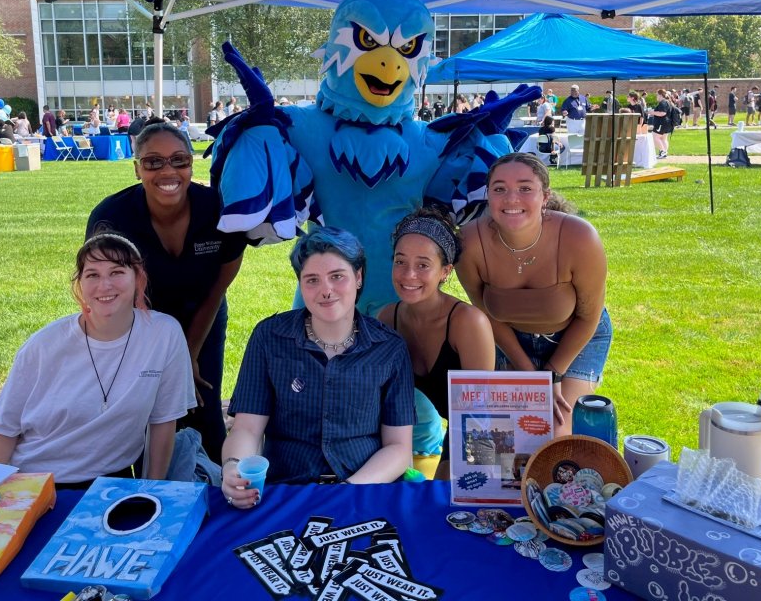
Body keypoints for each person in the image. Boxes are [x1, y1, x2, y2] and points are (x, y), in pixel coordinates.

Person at [222, 227, 414, 507]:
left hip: (364, 490)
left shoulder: (389, 348)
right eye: (312, 280)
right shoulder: (269, 338)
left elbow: (399, 448)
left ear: (358, 277)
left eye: (337, 276)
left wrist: (347, 491)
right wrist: (233, 468)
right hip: (287, 490)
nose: (326, 290)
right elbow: (247, 429)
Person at [87, 121, 245, 462]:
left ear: (192, 163)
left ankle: (215, 487)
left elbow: (220, 283)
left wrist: (188, 352)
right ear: (136, 168)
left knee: (201, 403)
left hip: (203, 311)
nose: (167, 171)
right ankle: (145, 491)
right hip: (138, 320)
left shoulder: (218, 210)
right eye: (153, 162)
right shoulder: (112, 218)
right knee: (145, 406)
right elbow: (105, 292)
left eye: (179, 160)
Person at [0, 233, 193, 487]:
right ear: (80, 284)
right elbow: (5, 429)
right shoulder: (43, 346)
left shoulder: (164, 334)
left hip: (110, 482)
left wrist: (151, 489)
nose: (104, 285)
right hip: (34, 481)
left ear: (138, 278)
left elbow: (163, 420)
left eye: (116, 272)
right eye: (92, 275)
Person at [456, 153, 612, 436]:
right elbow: (488, 316)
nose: (512, 199)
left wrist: (552, 374)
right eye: (500, 189)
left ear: (545, 196)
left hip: (577, 336)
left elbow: (589, 317)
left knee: (555, 432)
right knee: (507, 434)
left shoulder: (580, 238)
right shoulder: (468, 243)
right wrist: (529, 374)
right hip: (510, 340)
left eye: (525, 188)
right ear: (488, 196)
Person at [377, 208, 494, 478]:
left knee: (443, 498)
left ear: (445, 271)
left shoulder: (467, 323)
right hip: (447, 430)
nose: (408, 275)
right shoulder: (387, 318)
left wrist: (454, 474)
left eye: (423, 265)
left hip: (485, 433)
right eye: (400, 261)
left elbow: (480, 417)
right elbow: (380, 399)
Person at [649, 88, 674, 159]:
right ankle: (664, 153)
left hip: (661, 123)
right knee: (663, 138)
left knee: (655, 137)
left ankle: (663, 152)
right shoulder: (667, 102)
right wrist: (654, 111)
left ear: (660, 95)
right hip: (667, 123)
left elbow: (663, 113)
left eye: (657, 95)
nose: (656, 96)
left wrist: (652, 112)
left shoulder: (663, 102)